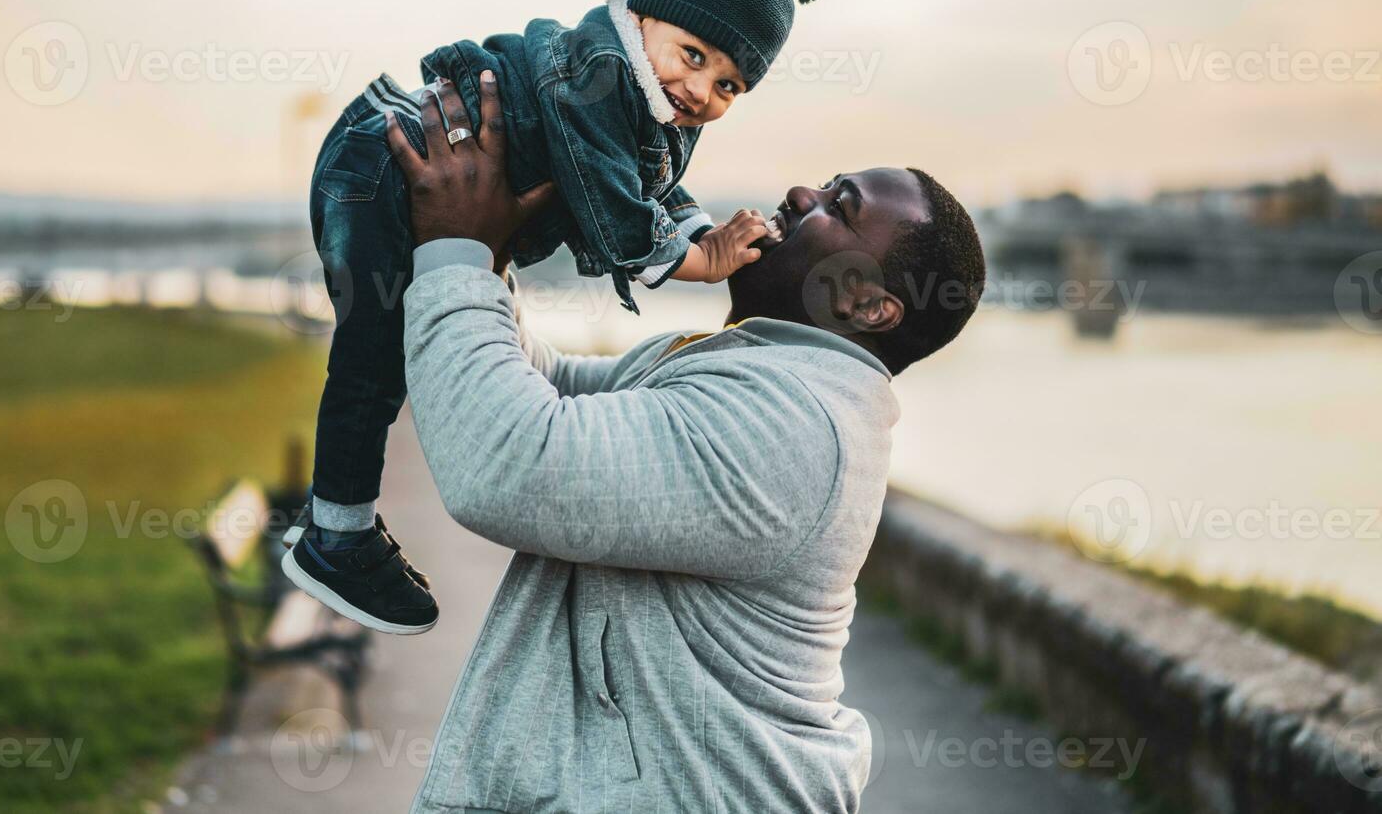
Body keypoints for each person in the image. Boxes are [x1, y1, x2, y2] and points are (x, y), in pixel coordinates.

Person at [388, 77, 985, 813]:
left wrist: (457, 250)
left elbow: (509, 463)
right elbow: (548, 390)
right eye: (828, 187)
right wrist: (490, 250)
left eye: (841, 208)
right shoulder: (759, 370)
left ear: (867, 304)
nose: (802, 194)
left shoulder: (793, 425)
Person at [284, 0, 825, 634]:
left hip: (398, 169)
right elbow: (611, 200)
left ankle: (331, 519)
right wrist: (695, 263)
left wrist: (702, 228)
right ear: (645, 15)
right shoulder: (603, 71)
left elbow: (652, 178)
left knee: (392, 357)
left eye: (729, 84)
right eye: (694, 56)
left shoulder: (651, 90)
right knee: (373, 358)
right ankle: (335, 538)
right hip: (385, 163)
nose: (700, 90)